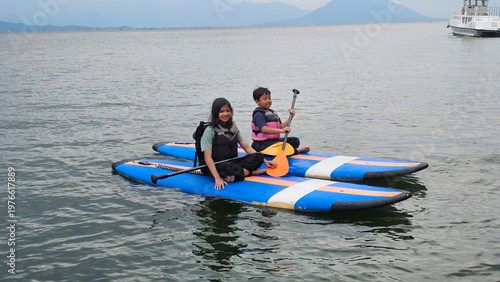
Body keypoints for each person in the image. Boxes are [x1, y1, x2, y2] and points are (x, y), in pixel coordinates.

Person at [201, 97, 276, 190]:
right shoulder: (210, 130)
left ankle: (235, 174)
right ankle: (251, 173)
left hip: (233, 162)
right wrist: (217, 178)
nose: (225, 114)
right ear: (216, 113)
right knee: (228, 166)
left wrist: (264, 161)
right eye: (221, 111)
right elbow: (207, 158)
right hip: (217, 165)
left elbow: (246, 147)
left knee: (258, 156)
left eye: (228, 111)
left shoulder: (233, 126)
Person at [251, 87, 310, 154]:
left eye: (269, 98)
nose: (268, 100)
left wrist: (291, 116)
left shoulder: (272, 112)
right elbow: (264, 129)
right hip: (260, 144)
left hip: (274, 142)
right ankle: (296, 151)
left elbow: (281, 126)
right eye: (265, 99)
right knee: (279, 146)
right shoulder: (259, 114)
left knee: (295, 141)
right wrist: (282, 131)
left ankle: (288, 151)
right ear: (257, 101)